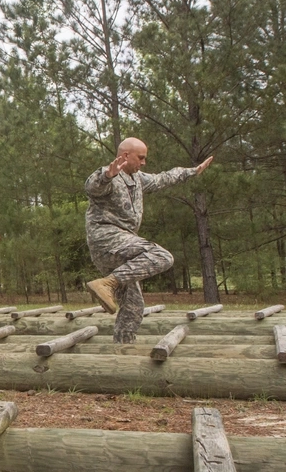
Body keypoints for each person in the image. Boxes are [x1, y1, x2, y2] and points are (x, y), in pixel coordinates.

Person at [84, 137, 213, 343]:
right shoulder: (108, 176)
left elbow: (164, 178)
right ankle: (107, 284)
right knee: (162, 256)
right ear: (126, 156)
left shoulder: (138, 179)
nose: (144, 162)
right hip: (107, 241)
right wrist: (107, 176)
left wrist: (193, 171)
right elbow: (92, 187)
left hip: (124, 247)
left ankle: (123, 351)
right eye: (141, 158)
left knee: (133, 306)